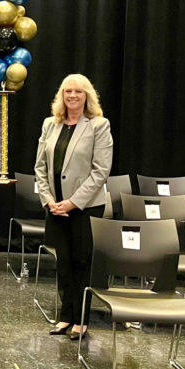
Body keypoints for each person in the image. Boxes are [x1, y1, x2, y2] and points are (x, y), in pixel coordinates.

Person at [34, 74, 112, 340]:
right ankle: (65, 316)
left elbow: (101, 171)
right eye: (68, 91)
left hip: (85, 208)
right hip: (55, 207)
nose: (73, 96)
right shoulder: (50, 124)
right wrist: (49, 200)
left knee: (82, 262)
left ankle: (81, 320)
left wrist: (73, 202)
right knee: (63, 263)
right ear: (62, 95)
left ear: (87, 95)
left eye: (78, 92)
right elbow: (40, 168)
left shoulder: (98, 125)